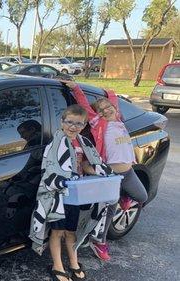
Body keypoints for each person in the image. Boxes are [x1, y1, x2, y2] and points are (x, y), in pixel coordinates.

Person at [62, 80, 148, 261]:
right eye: (101, 110)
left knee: (142, 197)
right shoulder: (98, 123)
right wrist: (75, 88)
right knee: (108, 209)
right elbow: (86, 106)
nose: (106, 111)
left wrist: (109, 94)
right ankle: (98, 241)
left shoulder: (118, 120)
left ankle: (124, 200)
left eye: (108, 107)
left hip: (128, 172)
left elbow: (113, 98)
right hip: (111, 174)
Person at [29, 104, 113, 281]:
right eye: (69, 122)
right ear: (62, 122)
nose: (73, 127)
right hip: (57, 195)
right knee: (57, 230)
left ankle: (74, 262)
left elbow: (84, 165)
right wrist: (65, 178)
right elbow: (50, 168)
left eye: (78, 124)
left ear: (84, 125)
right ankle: (57, 266)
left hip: (76, 194)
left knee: (71, 231)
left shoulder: (83, 143)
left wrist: (101, 172)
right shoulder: (55, 144)